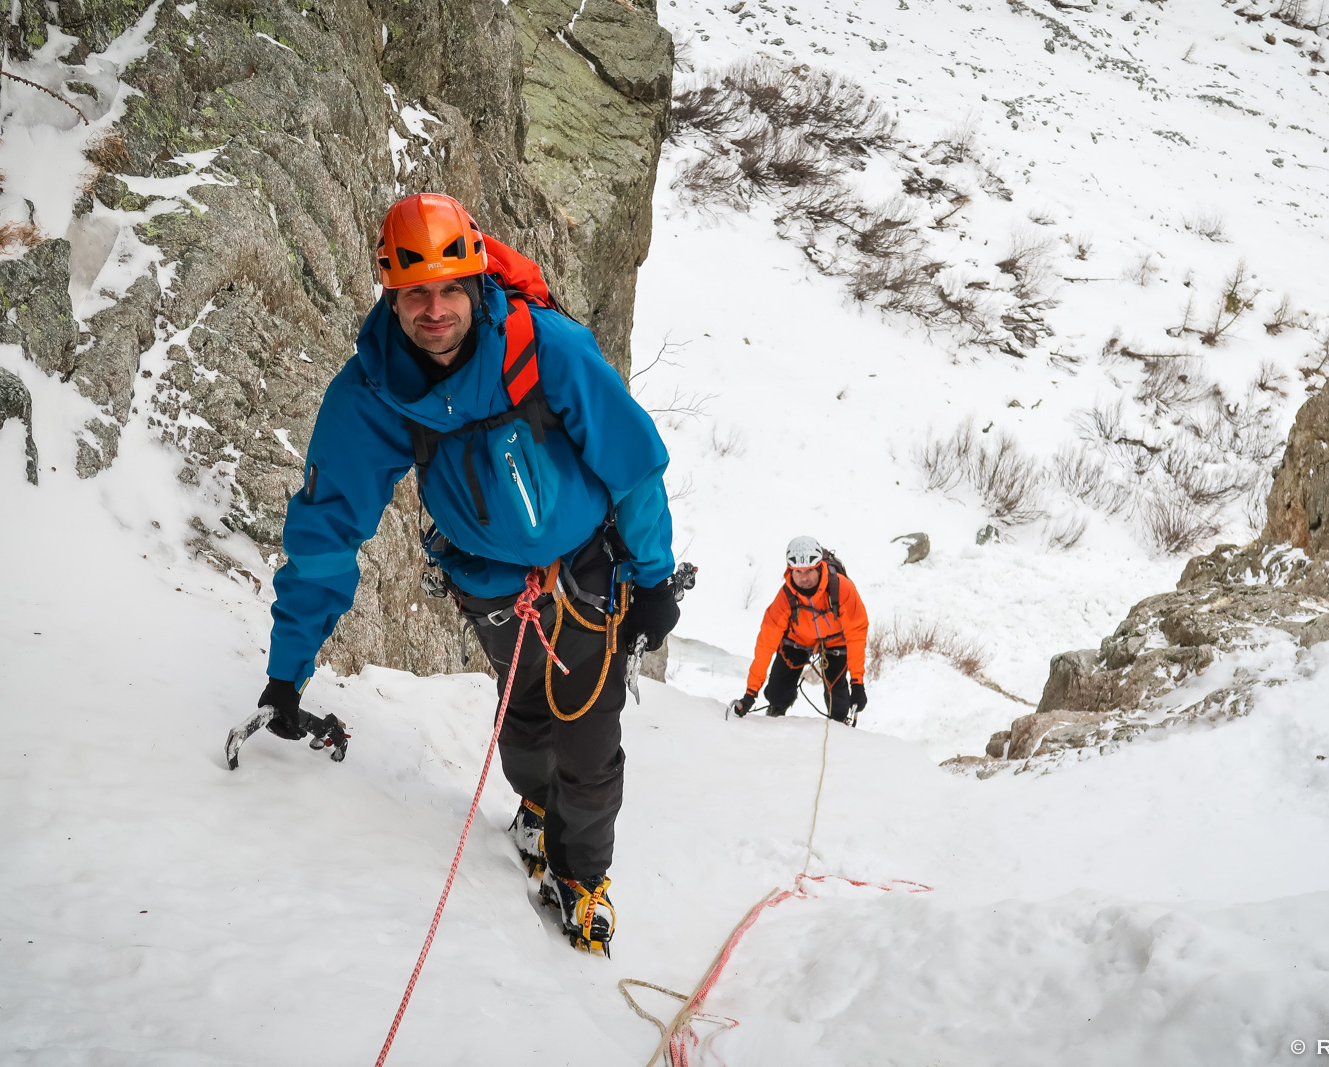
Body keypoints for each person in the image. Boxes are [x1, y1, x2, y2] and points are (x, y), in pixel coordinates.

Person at [252, 193, 678, 954]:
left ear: (478, 282)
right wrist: (287, 672)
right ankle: (536, 811)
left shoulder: (548, 348)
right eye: (417, 292)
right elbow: (326, 532)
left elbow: (633, 466)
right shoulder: (373, 393)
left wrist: (651, 578)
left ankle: (582, 878)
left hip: (584, 572)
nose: (436, 309)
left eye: (451, 288)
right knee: (521, 719)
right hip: (487, 583)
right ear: (390, 294)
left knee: (587, 737)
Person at [731, 536, 868, 723]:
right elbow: (766, 643)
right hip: (798, 640)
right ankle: (776, 712)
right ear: (790, 570)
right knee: (777, 694)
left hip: (836, 642)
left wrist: (857, 684)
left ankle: (840, 727)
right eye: (798, 572)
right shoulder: (785, 597)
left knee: (839, 702)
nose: (804, 578)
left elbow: (856, 634)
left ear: (820, 566)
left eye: (810, 570)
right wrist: (750, 694)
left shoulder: (842, 589)